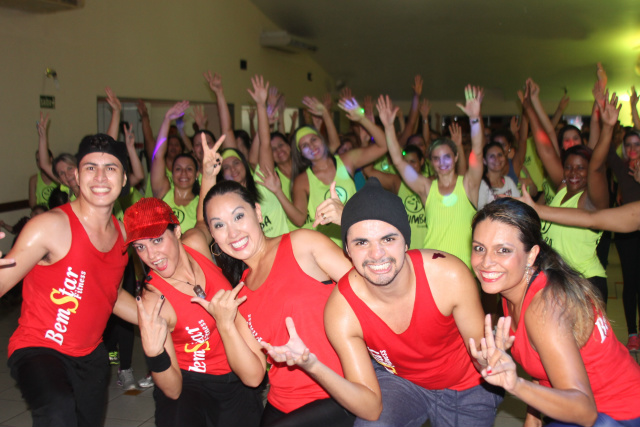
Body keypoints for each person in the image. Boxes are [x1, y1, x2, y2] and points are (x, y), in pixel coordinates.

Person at [261, 178, 502, 427]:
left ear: (406, 242)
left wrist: (491, 359)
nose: (376, 254)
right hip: (402, 383)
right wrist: (312, 365)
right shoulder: (343, 310)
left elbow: (481, 357)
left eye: (388, 239)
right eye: (362, 242)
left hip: (466, 386)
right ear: (347, 249)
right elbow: (370, 408)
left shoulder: (448, 276)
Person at [124, 134, 266, 427]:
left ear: (176, 233)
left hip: (234, 371)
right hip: (190, 381)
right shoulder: (154, 300)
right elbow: (173, 389)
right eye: (140, 247)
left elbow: (203, 221)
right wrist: (154, 355)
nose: (151, 255)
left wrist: (209, 174)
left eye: (156, 240)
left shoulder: (196, 243)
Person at [0, 133, 138, 427]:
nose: (100, 176)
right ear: (76, 176)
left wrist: (161, 318)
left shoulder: (123, 235)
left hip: (91, 357)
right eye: (90, 168)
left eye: (110, 168)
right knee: (58, 412)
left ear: (124, 178)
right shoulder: (48, 226)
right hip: (39, 349)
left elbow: (108, 294)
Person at [470, 197, 640, 426]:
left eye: (503, 250)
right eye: (479, 248)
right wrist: (533, 414)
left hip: (618, 414)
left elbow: (586, 411)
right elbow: (543, 361)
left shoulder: (545, 307)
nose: (486, 262)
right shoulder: (513, 287)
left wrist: (516, 384)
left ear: (531, 255)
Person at [201, 178, 355, 427]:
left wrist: (351, 221)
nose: (232, 232)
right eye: (219, 225)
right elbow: (253, 377)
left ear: (258, 212)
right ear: (213, 236)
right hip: (282, 402)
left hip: (336, 392)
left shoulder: (302, 244)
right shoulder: (240, 294)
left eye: (239, 216)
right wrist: (225, 324)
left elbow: (369, 288)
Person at [524, 80, 616, 303]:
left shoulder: (593, 200)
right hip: (557, 279)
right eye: (569, 167)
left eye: (580, 168)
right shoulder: (563, 186)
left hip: (585, 282)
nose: (574, 172)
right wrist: (528, 106)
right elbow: (545, 149)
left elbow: (596, 166)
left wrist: (608, 128)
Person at [376, 87, 484, 269]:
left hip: (465, 269)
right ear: (431, 162)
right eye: (436, 158)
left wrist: (474, 119)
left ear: (456, 157)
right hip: (432, 268)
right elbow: (398, 162)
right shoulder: (427, 188)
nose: (442, 162)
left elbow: (478, 152)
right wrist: (388, 127)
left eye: (447, 156)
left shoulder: (468, 184)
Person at [151, 101, 201, 232]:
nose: (183, 173)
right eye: (178, 169)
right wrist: (167, 120)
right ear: (171, 174)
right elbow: (157, 157)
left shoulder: (201, 202)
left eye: (189, 169)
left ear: (197, 175)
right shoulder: (163, 193)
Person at [477, 141, 520, 209]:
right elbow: (481, 211)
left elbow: (519, 204)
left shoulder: (509, 181)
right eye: (492, 156)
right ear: (484, 161)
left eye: (500, 155)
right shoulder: (482, 185)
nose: (497, 159)